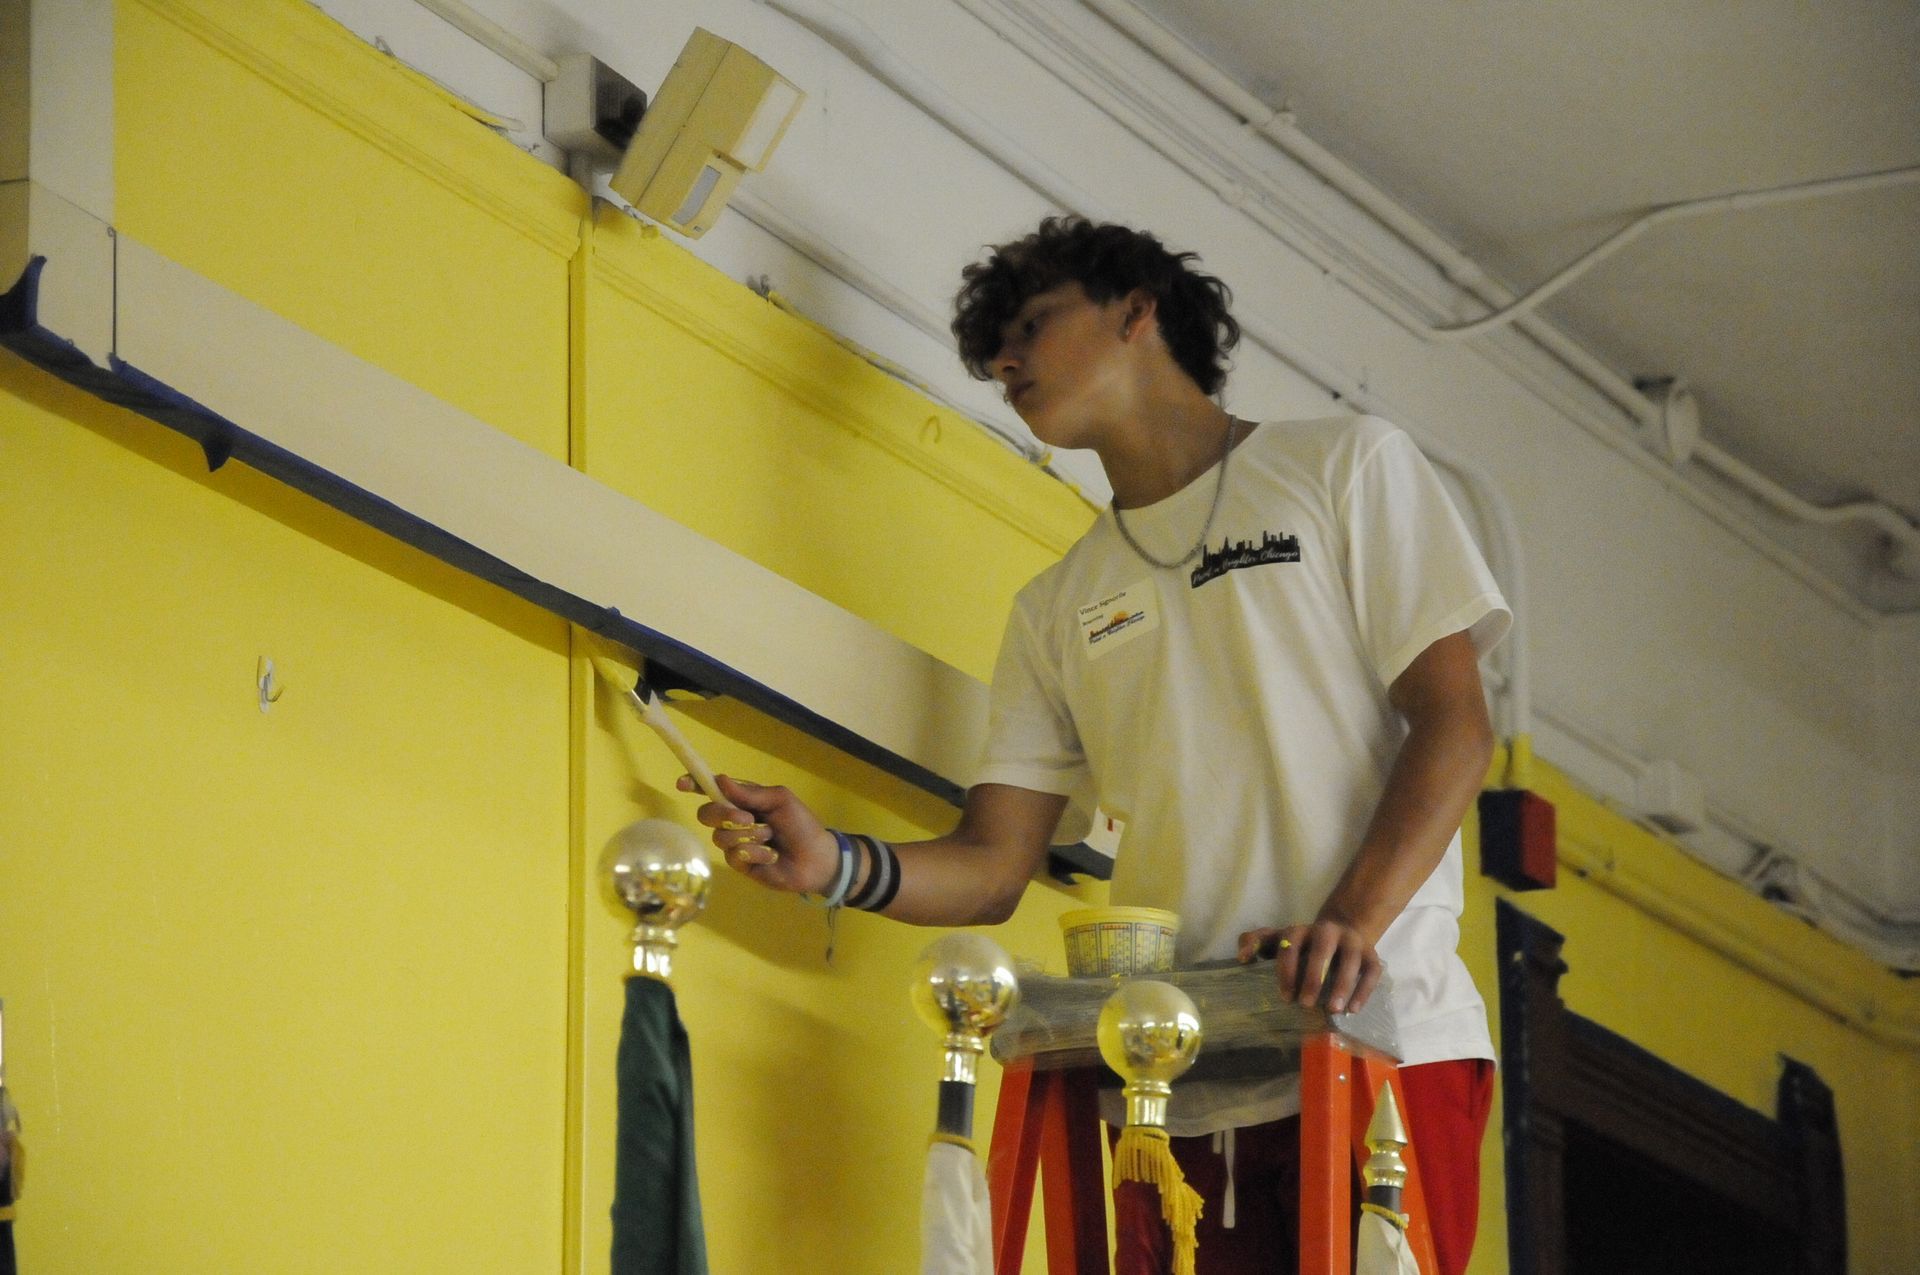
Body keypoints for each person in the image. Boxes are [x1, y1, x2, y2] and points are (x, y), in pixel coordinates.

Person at [679, 217, 1508, 1275]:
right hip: (1178, 1064)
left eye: (1030, 324)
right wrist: (836, 863)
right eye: (993, 356)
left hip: (1388, 1033)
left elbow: (1455, 722)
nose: (1006, 363)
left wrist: (1351, 921)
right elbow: (991, 868)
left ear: (1136, 309)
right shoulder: (1055, 607)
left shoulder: (1343, 465)